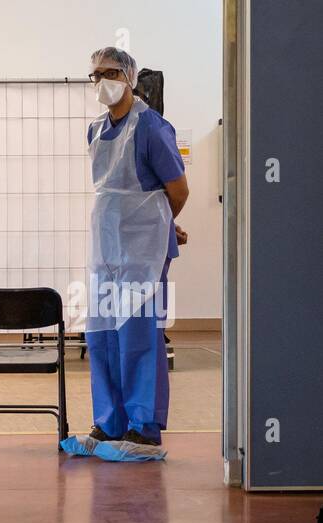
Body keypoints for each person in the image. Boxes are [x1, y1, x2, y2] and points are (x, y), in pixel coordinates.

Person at [83, 46, 189, 454]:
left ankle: (143, 425)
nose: (102, 81)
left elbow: (178, 190)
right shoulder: (94, 131)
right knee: (103, 335)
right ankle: (109, 422)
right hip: (105, 249)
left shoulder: (151, 127)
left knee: (139, 336)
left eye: (110, 72)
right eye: (96, 74)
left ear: (128, 76)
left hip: (143, 254)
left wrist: (160, 227)